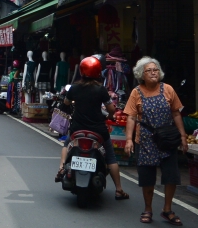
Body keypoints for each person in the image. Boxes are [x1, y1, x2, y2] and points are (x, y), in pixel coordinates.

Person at [54, 56, 129, 200]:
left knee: (66, 144)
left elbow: (66, 102)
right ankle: (119, 189)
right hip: (98, 130)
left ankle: (61, 168)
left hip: (77, 129)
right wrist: (111, 115)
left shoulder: (74, 88)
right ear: (98, 72)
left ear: (81, 71)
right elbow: (111, 110)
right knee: (111, 157)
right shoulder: (100, 90)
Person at [124, 57, 188, 225]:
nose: (153, 73)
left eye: (156, 70)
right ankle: (148, 209)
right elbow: (131, 117)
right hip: (145, 140)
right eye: (149, 71)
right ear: (141, 74)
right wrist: (129, 140)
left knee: (171, 176)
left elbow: (176, 113)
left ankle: (167, 209)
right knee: (147, 177)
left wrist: (182, 136)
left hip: (167, 139)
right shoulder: (136, 92)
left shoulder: (168, 89)